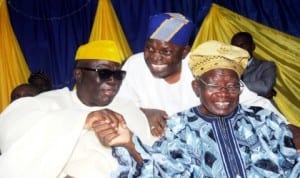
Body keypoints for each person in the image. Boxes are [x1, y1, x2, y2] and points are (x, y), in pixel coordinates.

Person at [95, 41, 300, 177]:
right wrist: (130, 145)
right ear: (196, 87)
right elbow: (160, 171)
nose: (223, 94)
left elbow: (292, 163)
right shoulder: (178, 127)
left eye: (232, 86)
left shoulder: (264, 121)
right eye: (213, 86)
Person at [0, 40, 155, 178]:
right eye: (104, 72)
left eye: (118, 74)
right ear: (78, 74)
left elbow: (156, 163)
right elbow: (9, 132)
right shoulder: (48, 103)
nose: (113, 80)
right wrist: (82, 120)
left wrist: (129, 143)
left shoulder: (127, 108)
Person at [117, 12, 288, 137]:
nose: (155, 56)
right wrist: (143, 111)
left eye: (166, 51)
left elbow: (252, 100)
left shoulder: (204, 65)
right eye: (150, 48)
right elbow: (117, 103)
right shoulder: (135, 64)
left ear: (184, 52)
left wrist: (288, 127)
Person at [230, 31, 277, 100]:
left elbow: (265, 88)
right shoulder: (227, 68)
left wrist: (233, 86)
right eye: (235, 47)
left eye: (242, 45)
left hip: (260, 109)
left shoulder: (267, 66)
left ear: (253, 46)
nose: (239, 49)